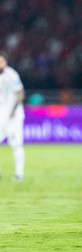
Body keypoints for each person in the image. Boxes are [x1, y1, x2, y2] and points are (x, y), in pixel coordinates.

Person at [0, 51, 25, 182]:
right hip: (2, 114)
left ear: (6, 62)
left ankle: (19, 174)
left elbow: (21, 94)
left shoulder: (12, 75)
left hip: (14, 116)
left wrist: (13, 110)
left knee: (16, 144)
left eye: (1, 61)